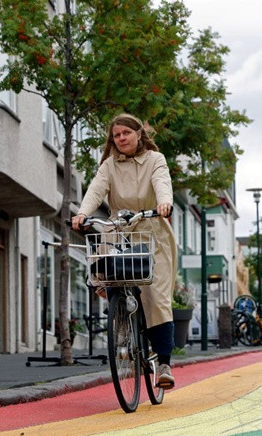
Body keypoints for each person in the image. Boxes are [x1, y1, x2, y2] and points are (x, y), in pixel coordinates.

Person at [72, 113, 178, 389]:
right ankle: (120, 321)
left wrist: (164, 203)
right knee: (106, 275)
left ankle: (164, 363)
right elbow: (96, 189)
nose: (121, 139)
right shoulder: (109, 165)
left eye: (126, 133)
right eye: (116, 135)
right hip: (119, 230)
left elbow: (162, 183)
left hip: (152, 232)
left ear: (139, 134)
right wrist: (82, 213)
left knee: (155, 296)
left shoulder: (156, 160)